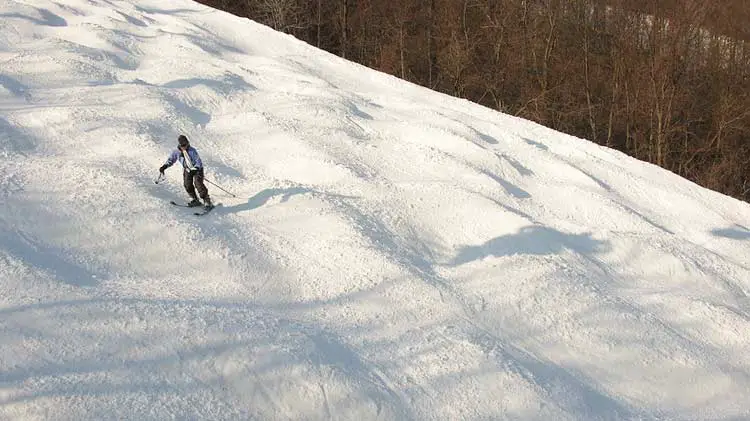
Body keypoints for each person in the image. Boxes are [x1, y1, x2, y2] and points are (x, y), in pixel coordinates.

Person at [159, 135, 213, 208]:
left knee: (198, 183)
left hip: (197, 169)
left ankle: (207, 200)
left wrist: (196, 169)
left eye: (186, 144)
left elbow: (198, 161)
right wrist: (164, 166)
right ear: (180, 145)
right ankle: (195, 199)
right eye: (183, 145)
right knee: (187, 184)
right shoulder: (176, 152)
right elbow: (171, 160)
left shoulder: (192, 150)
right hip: (187, 170)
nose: (185, 146)